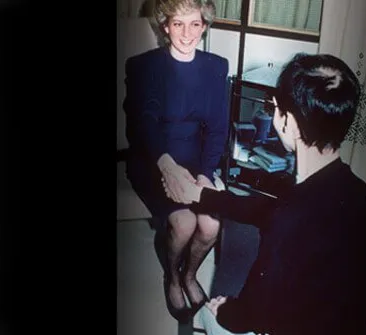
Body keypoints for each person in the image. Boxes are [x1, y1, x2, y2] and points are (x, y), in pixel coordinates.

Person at [165, 53, 366, 334]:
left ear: (286, 121)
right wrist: (203, 196)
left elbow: (254, 313)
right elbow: (266, 210)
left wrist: (225, 309)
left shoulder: (288, 223)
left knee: (205, 315)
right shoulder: (357, 191)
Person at [122, 0, 229, 323]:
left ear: (205, 27)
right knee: (183, 224)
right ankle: (171, 275)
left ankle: (189, 274)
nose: (187, 33)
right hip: (154, 157)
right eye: (178, 24)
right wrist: (166, 165)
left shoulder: (215, 66)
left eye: (195, 24)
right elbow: (144, 123)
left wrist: (206, 174)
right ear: (164, 26)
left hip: (196, 158)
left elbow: (218, 127)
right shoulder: (143, 66)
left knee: (211, 225)